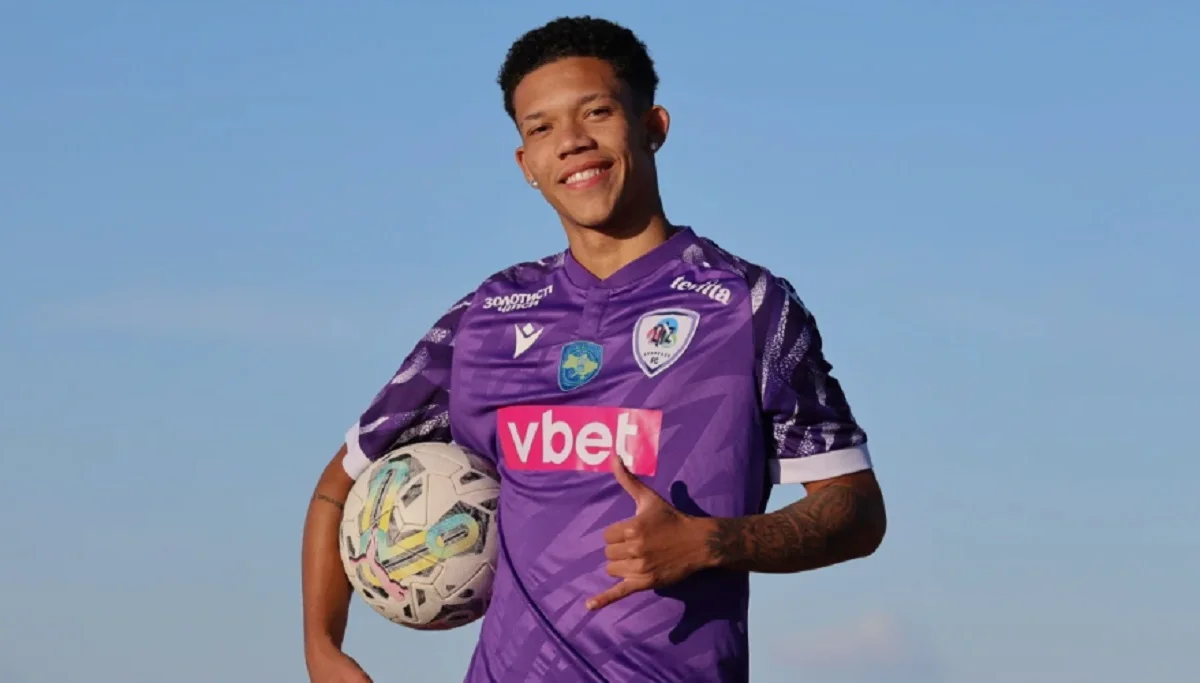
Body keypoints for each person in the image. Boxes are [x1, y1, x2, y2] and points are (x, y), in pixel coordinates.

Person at [301, 15, 887, 683]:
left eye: (596, 112)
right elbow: (340, 483)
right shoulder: (486, 319)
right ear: (525, 164)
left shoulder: (747, 307)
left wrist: (710, 542)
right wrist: (322, 647)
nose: (572, 141)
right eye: (541, 128)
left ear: (653, 126)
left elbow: (856, 508)